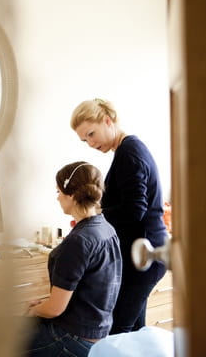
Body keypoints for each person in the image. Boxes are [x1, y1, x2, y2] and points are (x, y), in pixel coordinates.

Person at [70, 98, 168, 334]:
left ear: (107, 120)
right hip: (142, 254)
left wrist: (97, 214)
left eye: (92, 134)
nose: (91, 143)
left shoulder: (129, 153)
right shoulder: (127, 150)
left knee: (118, 330)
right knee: (134, 331)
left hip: (145, 255)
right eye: (85, 140)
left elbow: (135, 210)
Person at [22, 161, 122, 357]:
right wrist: (44, 304)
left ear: (72, 195)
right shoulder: (106, 229)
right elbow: (87, 290)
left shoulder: (78, 242)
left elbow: (54, 310)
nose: (57, 197)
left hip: (72, 337)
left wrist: (35, 310)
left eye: (58, 191)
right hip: (98, 332)